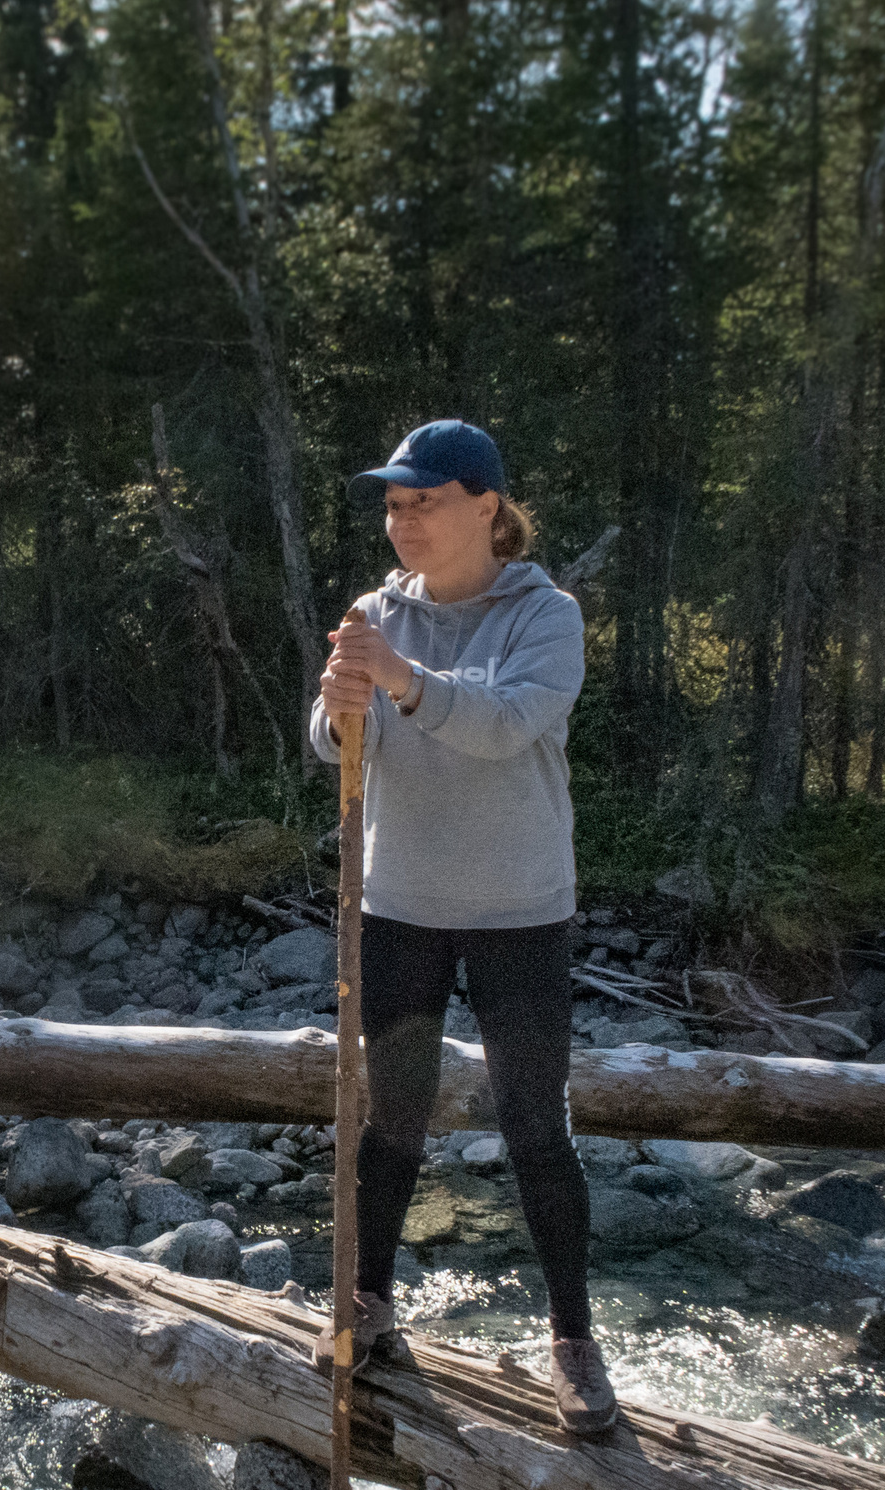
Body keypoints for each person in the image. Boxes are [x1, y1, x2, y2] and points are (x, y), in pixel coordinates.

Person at [307, 418, 615, 1436]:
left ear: (486, 507)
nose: (403, 522)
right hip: (399, 908)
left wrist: (398, 678)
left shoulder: (546, 616)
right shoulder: (372, 612)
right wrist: (341, 695)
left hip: (521, 915)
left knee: (536, 1127)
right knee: (389, 1122)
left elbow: (505, 723)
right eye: (394, 505)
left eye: (424, 501)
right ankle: (366, 1302)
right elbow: (331, 743)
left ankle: (571, 1340)